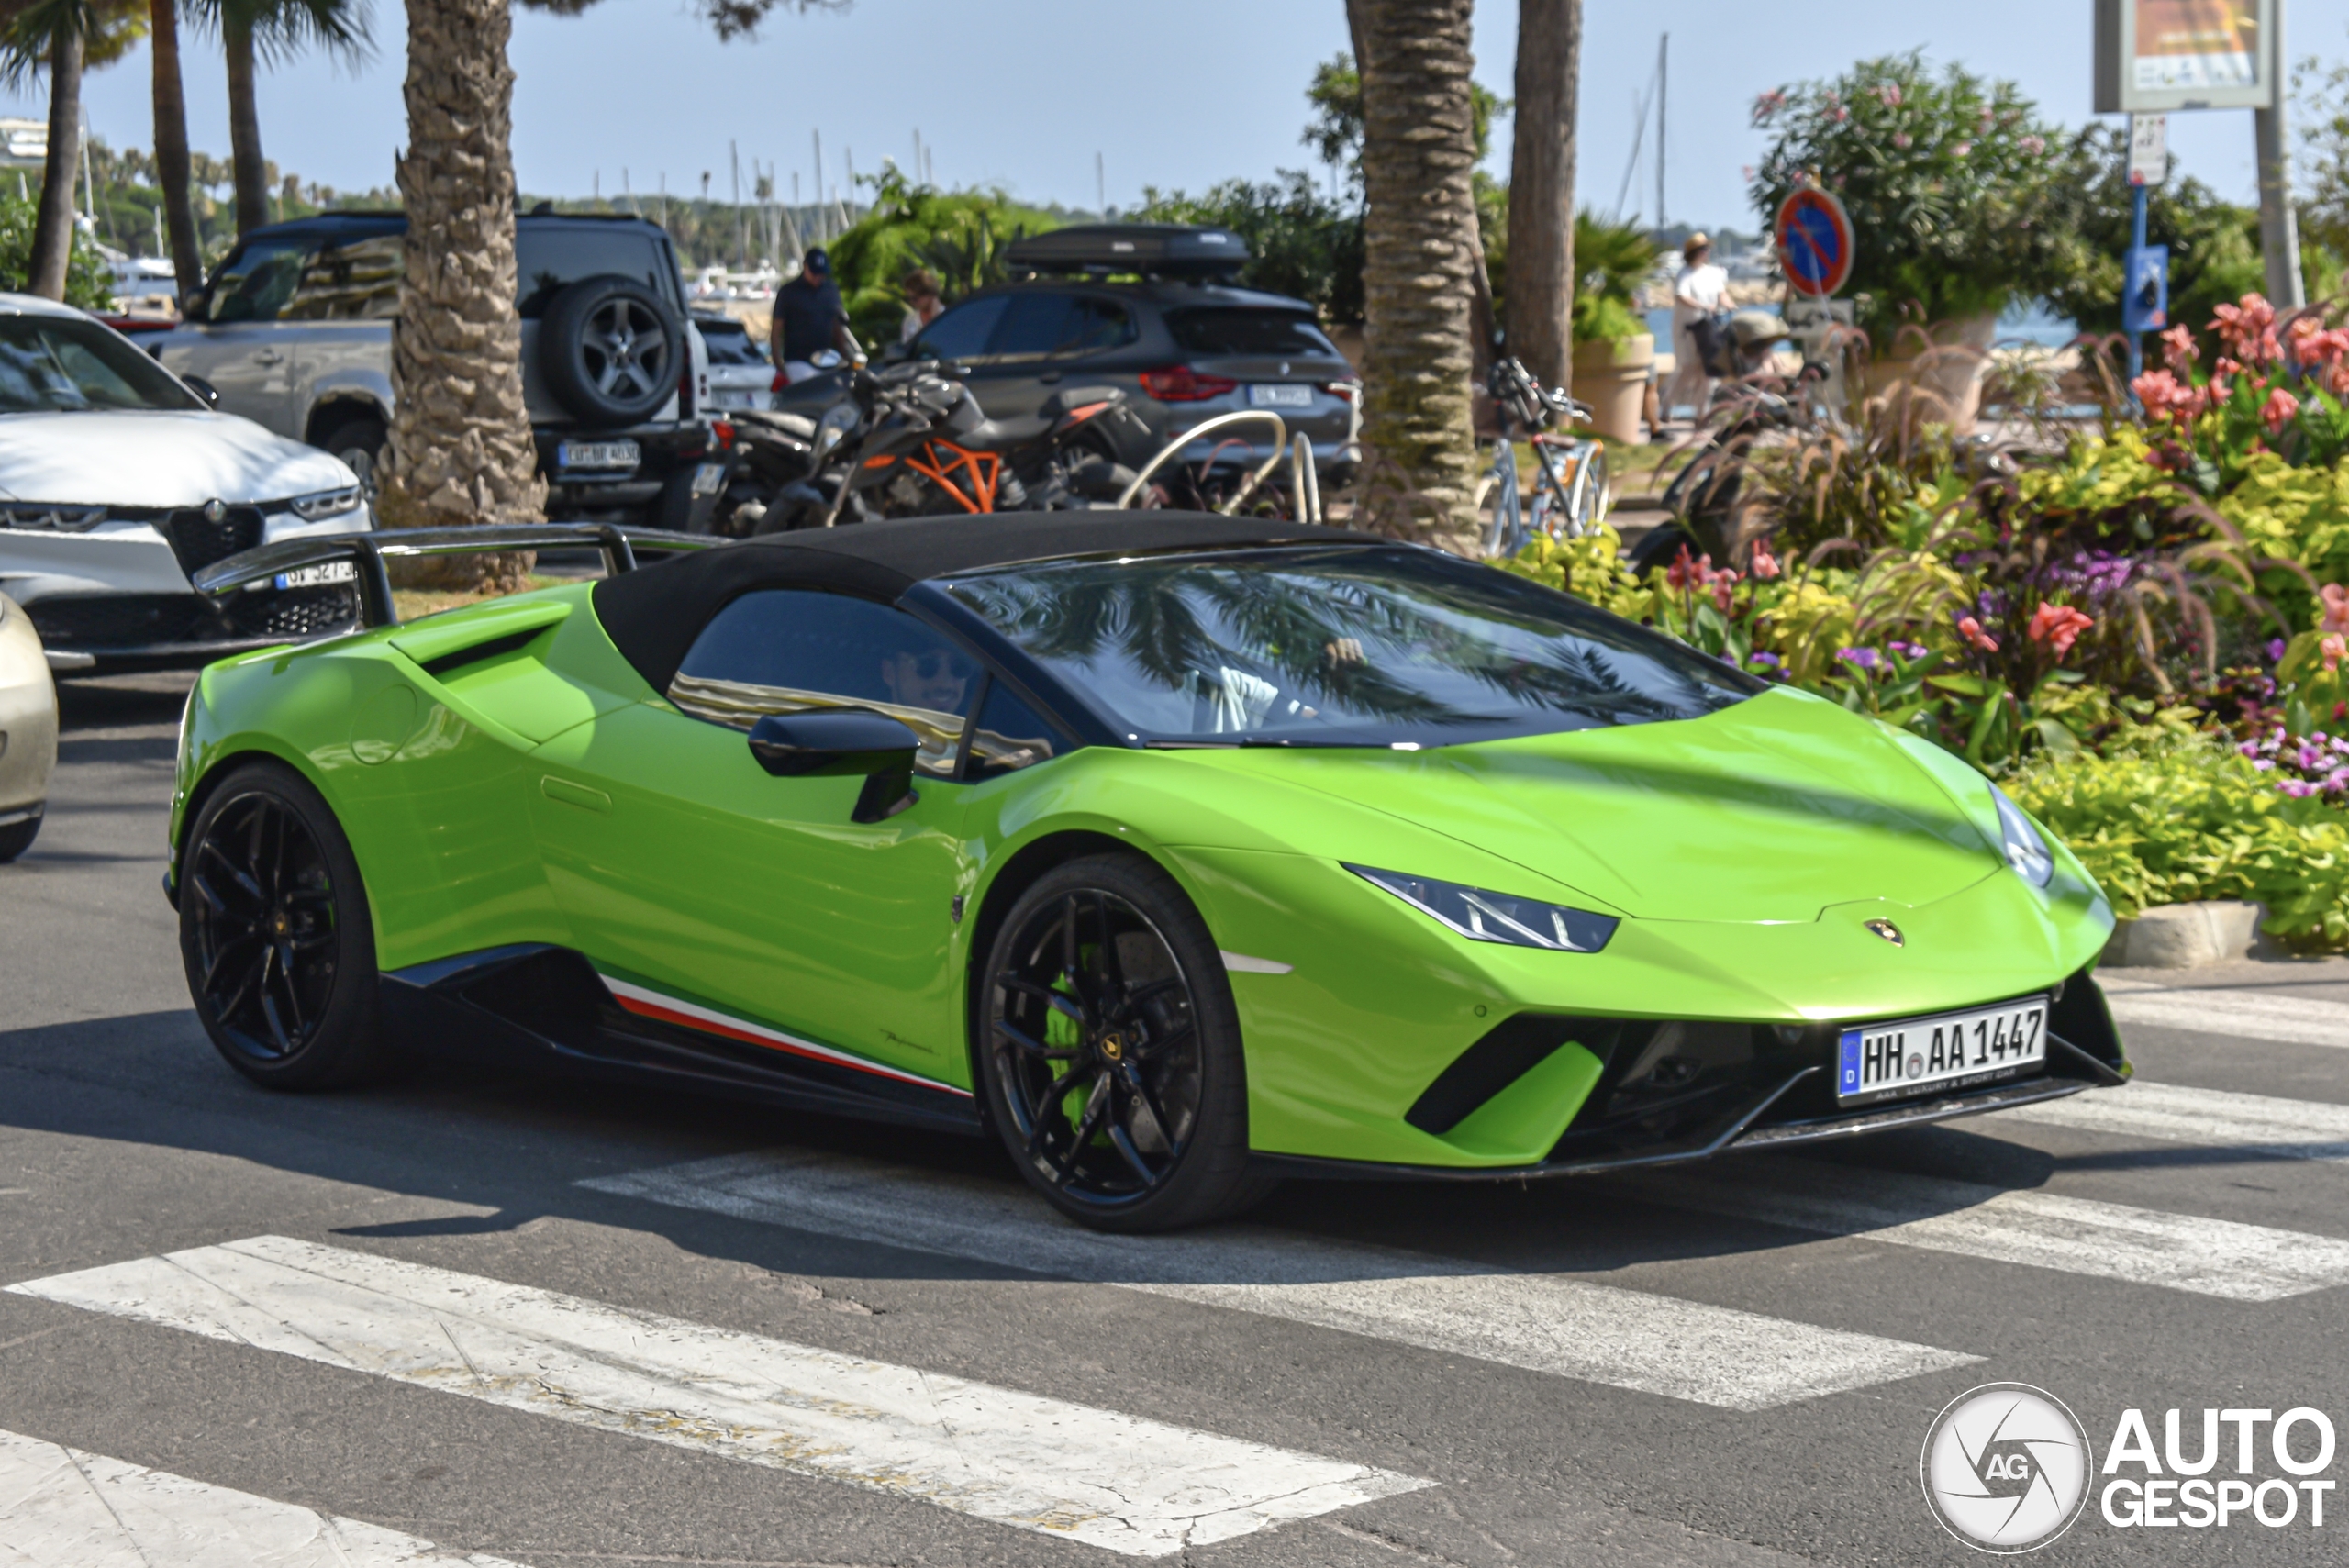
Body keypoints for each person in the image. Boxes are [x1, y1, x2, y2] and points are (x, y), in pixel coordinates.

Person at [772, 248, 864, 384]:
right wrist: (778, 364)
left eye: (821, 273)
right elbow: (776, 331)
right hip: (798, 362)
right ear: (805, 267)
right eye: (814, 273)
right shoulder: (788, 292)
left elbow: (837, 324)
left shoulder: (831, 290)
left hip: (827, 359)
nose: (818, 277)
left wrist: (846, 356)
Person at [1664, 233, 1728, 428]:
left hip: (1709, 328)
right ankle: (1667, 405)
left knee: (1709, 371)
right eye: (1703, 249)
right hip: (1689, 330)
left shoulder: (1712, 273)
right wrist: (1702, 306)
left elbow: (1722, 293)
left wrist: (1729, 304)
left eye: (1707, 249)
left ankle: (1702, 414)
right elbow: (1681, 296)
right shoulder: (1685, 274)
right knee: (1689, 370)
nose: (1707, 252)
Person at [899, 268, 944, 344]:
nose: (912, 302)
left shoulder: (947, 318)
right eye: (909, 298)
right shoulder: (910, 320)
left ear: (929, 293)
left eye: (915, 298)